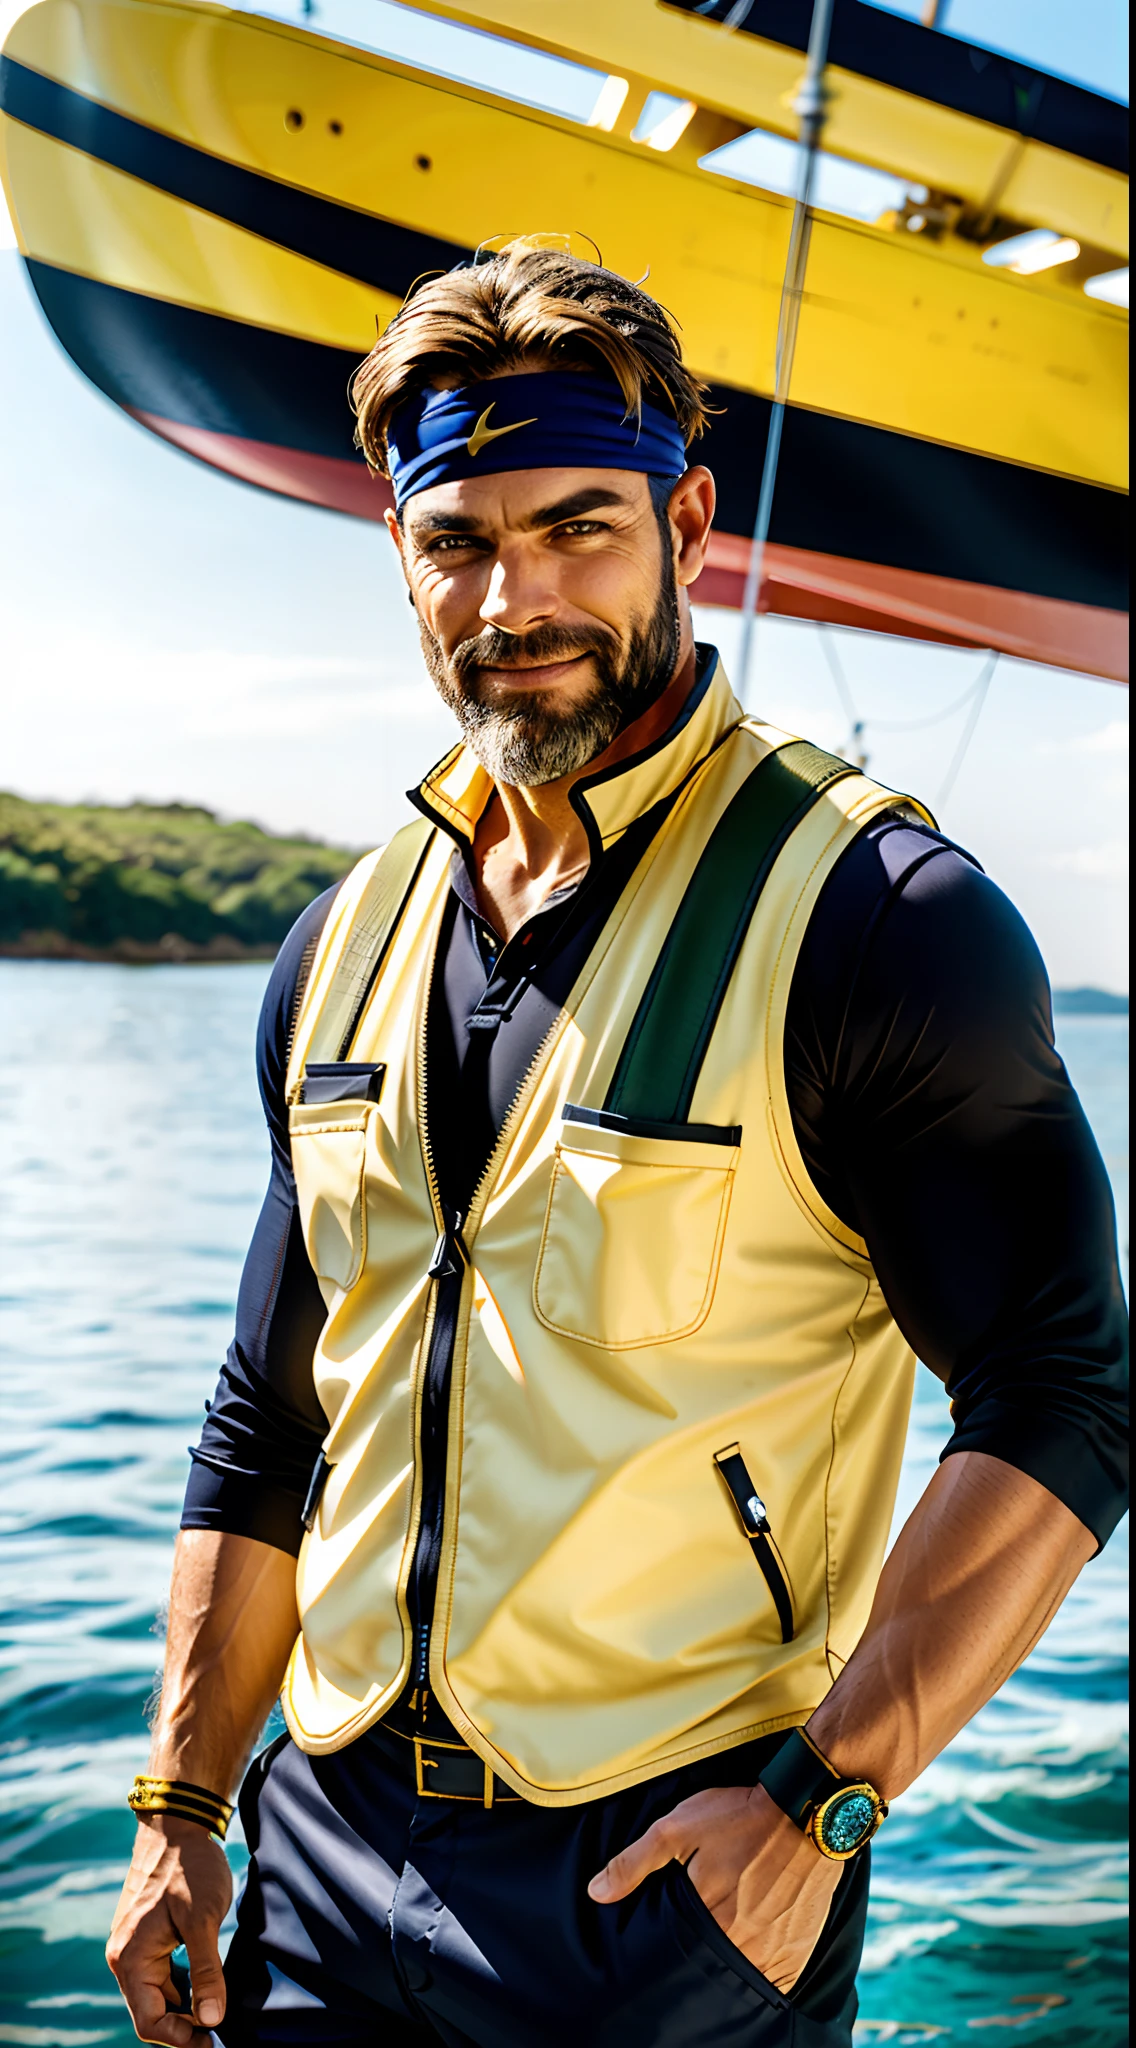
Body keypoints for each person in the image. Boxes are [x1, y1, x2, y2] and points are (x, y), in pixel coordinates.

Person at [106, 244, 1128, 2048]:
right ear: (404, 560)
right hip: (321, 1847)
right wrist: (184, 1808)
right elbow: (271, 1413)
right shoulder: (336, 941)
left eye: (581, 524)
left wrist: (824, 1801)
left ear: (691, 524)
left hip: (663, 1880)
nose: (519, 593)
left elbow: (1067, 1388)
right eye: (459, 540)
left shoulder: (881, 917)